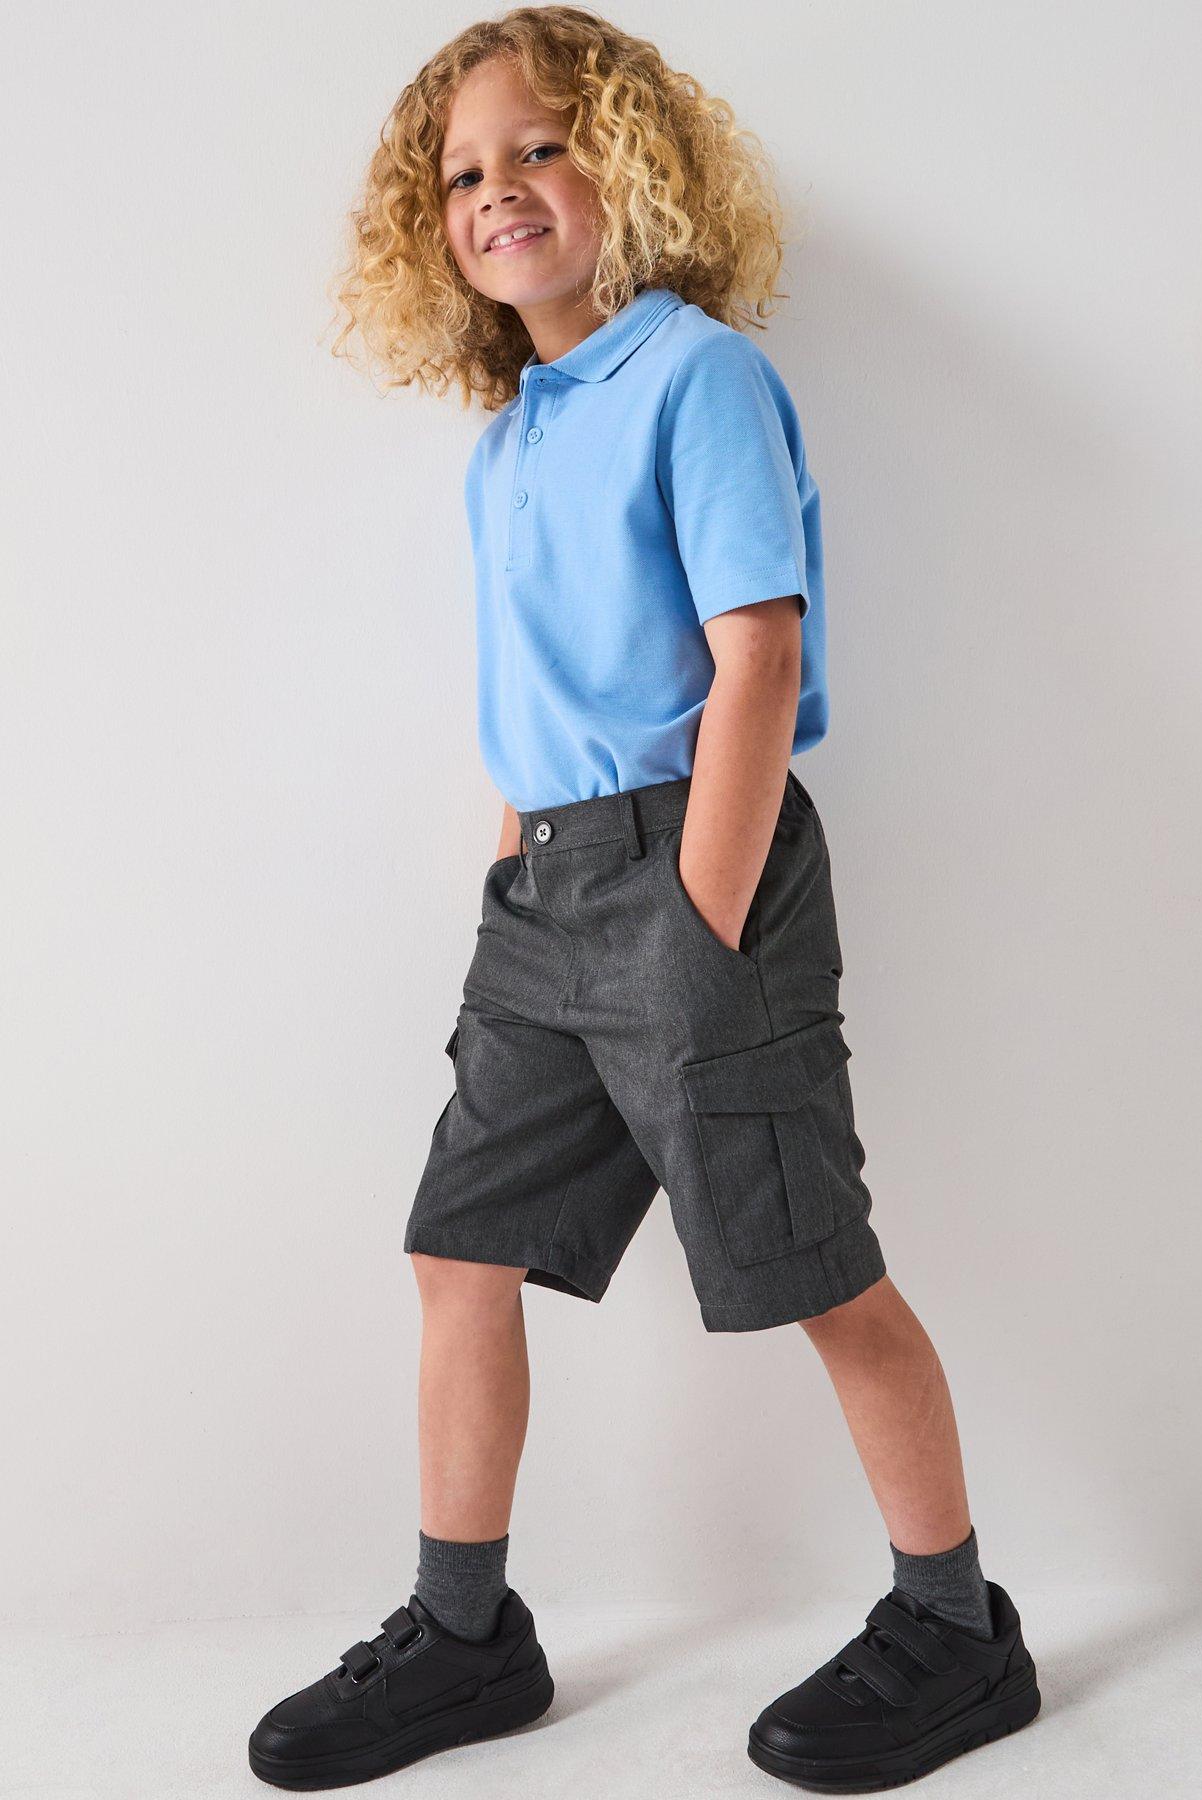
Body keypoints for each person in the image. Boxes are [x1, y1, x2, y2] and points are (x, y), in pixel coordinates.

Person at [248, 7, 1040, 1791]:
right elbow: (535, 699)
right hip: (542, 890)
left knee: (808, 1265)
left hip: (696, 864)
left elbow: (755, 654)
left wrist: (701, 915)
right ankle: (466, 1636)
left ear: (628, 160)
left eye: (538, 145)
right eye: (463, 172)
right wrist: (509, 877)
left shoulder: (698, 376)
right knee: (460, 1251)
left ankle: (954, 1628)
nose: (499, 188)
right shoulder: (510, 437)